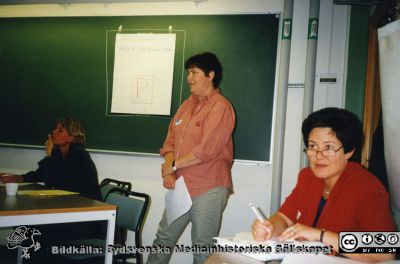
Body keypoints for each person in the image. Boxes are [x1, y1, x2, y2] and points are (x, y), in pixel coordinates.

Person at [252, 107, 396, 263]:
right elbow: (284, 218)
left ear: (349, 151)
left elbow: (385, 252)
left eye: (328, 148)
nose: (318, 156)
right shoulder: (307, 177)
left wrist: (319, 235)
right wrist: (270, 227)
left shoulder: (368, 187)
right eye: (313, 146)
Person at [147, 52, 236, 264]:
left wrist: (174, 166)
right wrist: (170, 169)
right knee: (163, 238)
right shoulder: (186, 106)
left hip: (209, 187)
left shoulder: (221, 107)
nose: (189, 78)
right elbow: (169, 143)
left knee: (202, 248)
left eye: (194, 72)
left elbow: (207, 150)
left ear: (211, 75)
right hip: (181, 185)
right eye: (188, 73)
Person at [0, 117, 101, 201]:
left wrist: (49, 155)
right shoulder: (58, 153)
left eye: (60, 130)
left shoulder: (79, 155)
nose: (53, 131)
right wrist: (18, 178)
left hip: (86, 211)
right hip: (69, 204)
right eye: (55, 128)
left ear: (71, 137)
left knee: (32, 220)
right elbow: (41, 174)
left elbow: (53, 181)